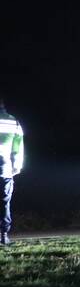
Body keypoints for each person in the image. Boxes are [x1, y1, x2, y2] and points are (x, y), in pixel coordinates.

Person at [0, 98, 25, 246]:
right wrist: (17, 166)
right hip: (4, 167)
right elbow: (18, 147)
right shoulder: (13, 121)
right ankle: (3, 235)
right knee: (4, 202)